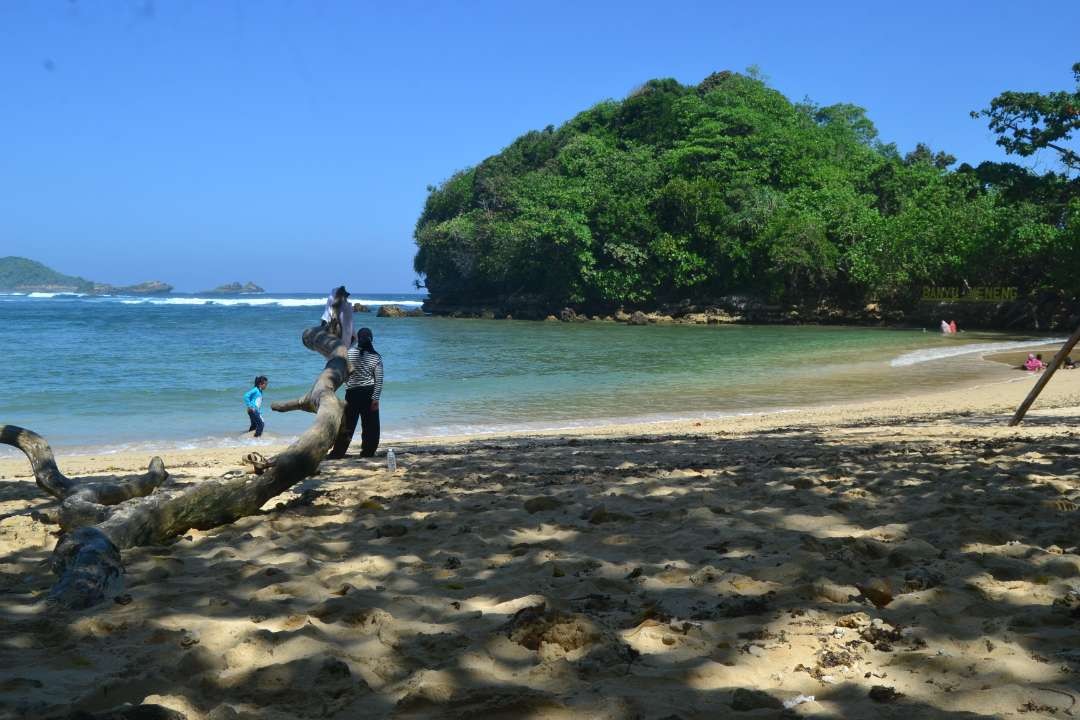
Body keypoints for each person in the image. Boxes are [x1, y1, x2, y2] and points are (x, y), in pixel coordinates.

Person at [328, 327, 383, 458]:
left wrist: (348, 383)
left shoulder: (349, 353)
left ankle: (338, 453)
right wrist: (375, 399)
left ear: (358, 339)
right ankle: (368, 452)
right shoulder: (376, 357)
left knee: (347, 425)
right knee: (371, 426)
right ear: (372, 339)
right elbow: (379, 380)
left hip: (352, 393)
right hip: (368, 393)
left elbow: (343, 373)